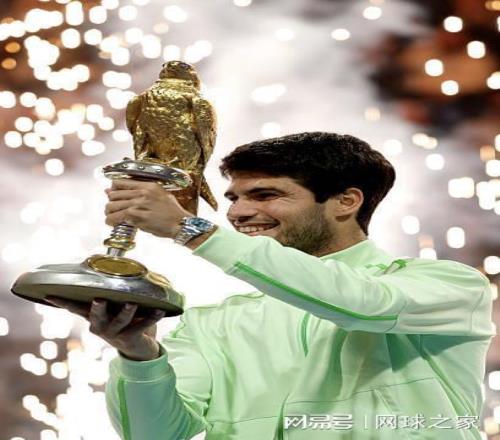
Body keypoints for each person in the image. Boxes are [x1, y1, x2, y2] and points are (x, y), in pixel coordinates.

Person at [47, 132, 494, 440]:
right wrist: (138, 354)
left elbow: (362, 304)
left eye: (265, 195)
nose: (238, 213)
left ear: (346, 201)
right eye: (234, 198)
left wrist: (189, 228)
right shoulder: (212, 324)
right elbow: (157, 434)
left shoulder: (448, 285)